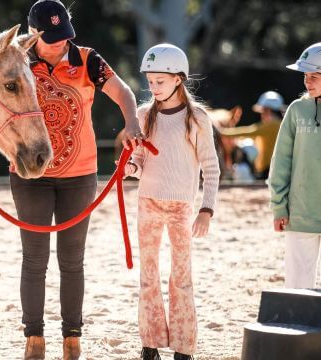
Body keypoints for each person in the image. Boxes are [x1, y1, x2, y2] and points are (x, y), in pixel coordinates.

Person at [0, 1, 143, 359]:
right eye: (52, 39)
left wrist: (132, 122)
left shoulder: (87, 59)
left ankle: (72, 337)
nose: (60, 44)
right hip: (29, 175)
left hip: (80, 175)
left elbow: (123, 93)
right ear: (32, 35)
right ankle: (34, 337)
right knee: (34, 259)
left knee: (72, 260)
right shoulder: (15, 62)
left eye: (64, 37)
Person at [123, 43, 220, 360]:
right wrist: (132, 167)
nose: (153, 87)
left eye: (159, 81)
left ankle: (183, 346)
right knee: (147, 274)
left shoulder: (197, 118)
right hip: (148, 202)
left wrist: (206, 208)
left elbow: (211, 166)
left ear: (179, 78)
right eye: (150, 81)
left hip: (181, 206)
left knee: (181, 276)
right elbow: (140, 157)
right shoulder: (144, 114)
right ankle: (149, 343)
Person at [269, 42, 321, 290]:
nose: (307, 81)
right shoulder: (297, 110)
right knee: (296, 290)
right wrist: (278, 206)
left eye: (314, 76)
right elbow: (281, 161)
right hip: (300, 217)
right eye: (305, 75)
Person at [220, 91, 286, 179]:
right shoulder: (278, 124)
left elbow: (249, 131)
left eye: (263, 111)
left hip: (270, 168)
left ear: (268, 110)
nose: (261, 114)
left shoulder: (273, 124)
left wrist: (222, 132)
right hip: (272, 168)